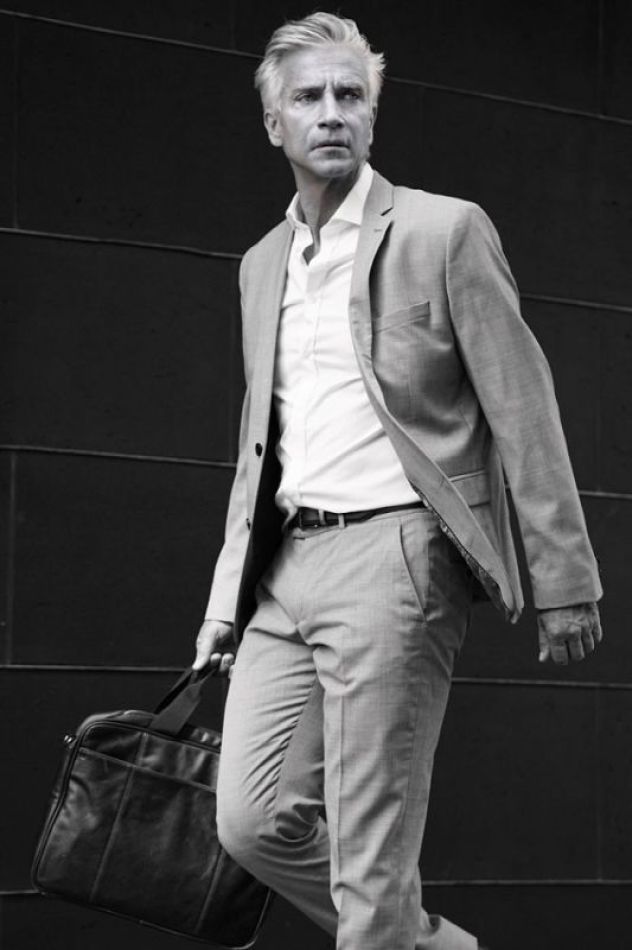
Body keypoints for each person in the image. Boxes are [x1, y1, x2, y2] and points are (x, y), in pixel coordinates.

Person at [192, 12, 603, 950]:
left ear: (373, 116)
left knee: (370, 859)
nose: (331, 113)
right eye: (309, 97)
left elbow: (523, 407)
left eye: (351, 95)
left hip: (396, 555)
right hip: (283, 571)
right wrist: (225, 601)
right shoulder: (261, 265)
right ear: (274, 124)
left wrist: (564, 581)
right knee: (252, 821)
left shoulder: (444, 231)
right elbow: (260, 444)